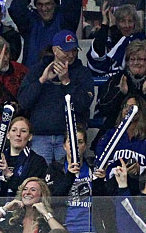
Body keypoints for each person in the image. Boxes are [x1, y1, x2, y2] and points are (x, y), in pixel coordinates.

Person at [17, 30, 94, 163]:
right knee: (39, 180)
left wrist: (66, 82)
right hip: (40, 136)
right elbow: (23, 102)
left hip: (69, 137)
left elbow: (82, 105)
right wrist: (41, 80)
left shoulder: (82, 73)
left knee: (69, 179)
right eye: (66, 51)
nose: (71, 55)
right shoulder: (37, 70)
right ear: (55, 50)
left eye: (74, 50)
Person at [94, 96, 146, 196]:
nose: (127, 109)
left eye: (132, 107)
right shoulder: (111, 135)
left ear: (141, 111)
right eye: (125, 106)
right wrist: (118, 171)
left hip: (140, 189)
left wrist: (141, 169)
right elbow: (100, 165)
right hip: (113, 187)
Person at [97, 40, 146, 135]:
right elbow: (104, 109)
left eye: (140, 59)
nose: (136, 63)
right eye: (132, 59)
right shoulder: (118, 79)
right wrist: (121, 93)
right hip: (116, 130)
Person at [0, 116, 47, 197]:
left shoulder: (37, 161)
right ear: (8, 135)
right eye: (14, 130)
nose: (18, 134)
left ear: (30, 137)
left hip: (21, 208)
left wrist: (8, 174)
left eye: (23, 131)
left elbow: (30, 194)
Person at [86, 3, 146, 77]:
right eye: (122, 21)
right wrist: (105, 23)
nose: (127, 25)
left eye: (130, 21)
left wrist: (113, 27)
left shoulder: (141, 40)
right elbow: (97, 53)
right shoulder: (108, 39)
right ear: (116, 22)